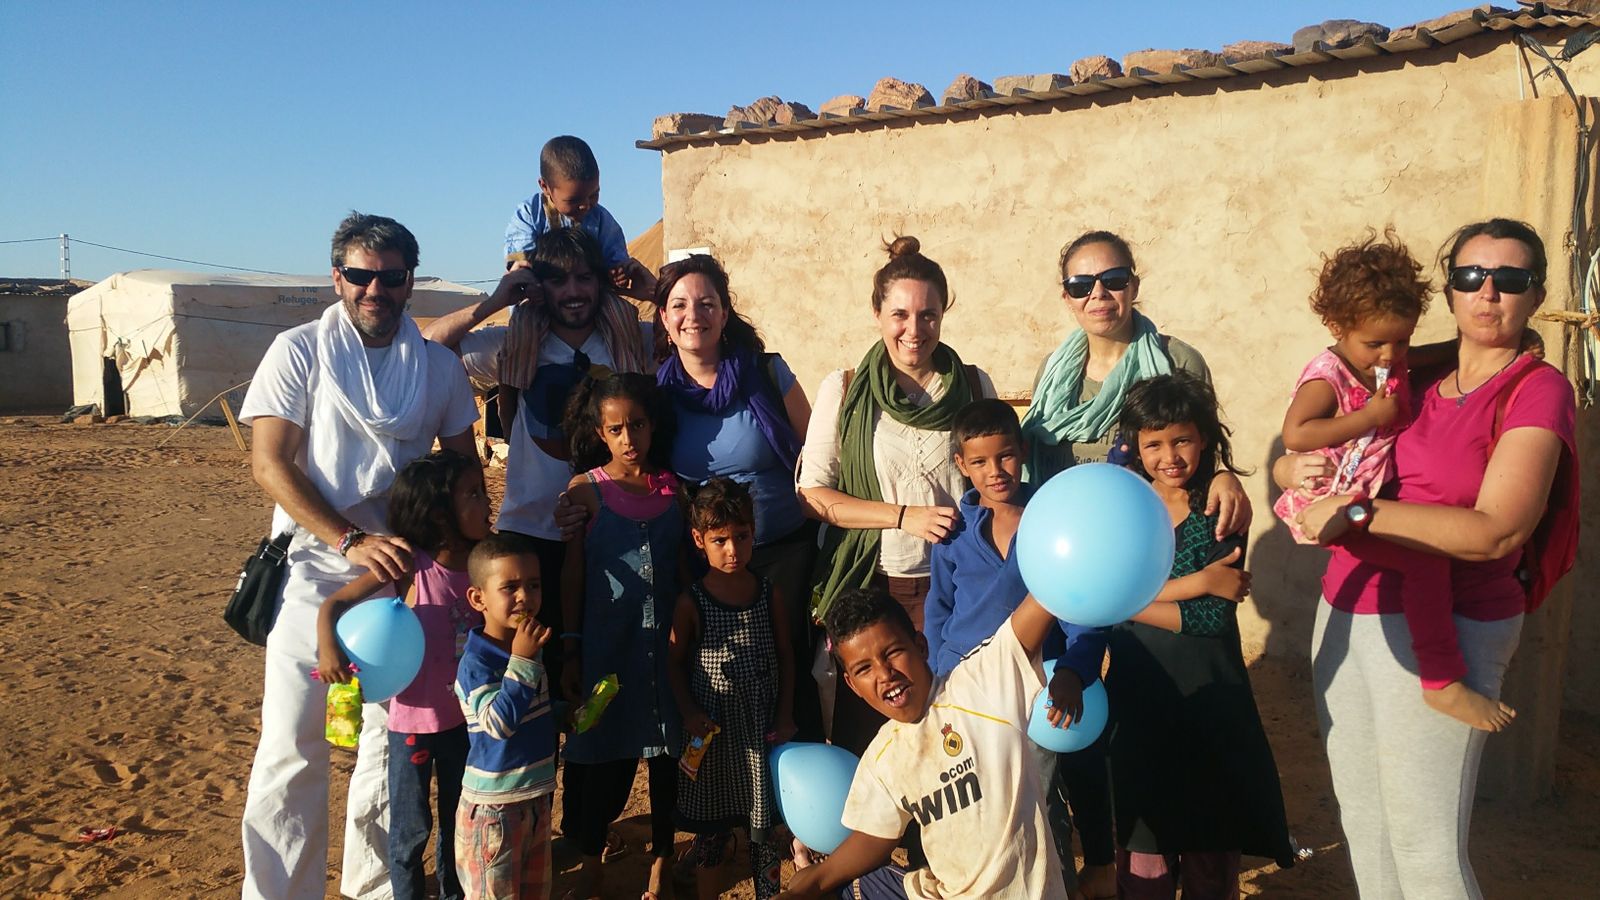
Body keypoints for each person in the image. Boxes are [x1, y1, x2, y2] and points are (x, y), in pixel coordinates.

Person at [1282, 218, 1577, 897]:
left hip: (1450, 620)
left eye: (1511, 280)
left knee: (1425, 845)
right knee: (1364, 823)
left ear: (1535, 295)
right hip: (1348, 604)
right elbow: (1317, 447)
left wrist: (1359, 513)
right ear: (1449, 290)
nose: (1489, 293)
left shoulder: (1536, 390)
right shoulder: (1409, 368)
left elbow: (1496, 531)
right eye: (1472, 276)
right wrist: (1286, 473)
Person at [238, 212, 479, 899]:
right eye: (361, 275)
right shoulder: (298, 352)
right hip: (314, 569)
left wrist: (451, 553)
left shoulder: (436, 368)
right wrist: (350, 539)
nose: (376, 289)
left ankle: (377, 889)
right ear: (337, 277)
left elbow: (462, 470)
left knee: (387, 747)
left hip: (404, 583)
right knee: (293, 747)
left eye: (392, 276)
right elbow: (270, 464)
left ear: (410, 282)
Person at [1019, 229, 1254, 898]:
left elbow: (1203, 443)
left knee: (1165, 728)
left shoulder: (1176, 360)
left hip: (1154, 558)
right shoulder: (1054, 372)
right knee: (1099, 733)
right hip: (1074, 574)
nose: (1099, 294)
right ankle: (1105, 861)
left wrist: (1229, 476)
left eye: (1112, 278)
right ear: (1066, 297)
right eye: (1082, 284)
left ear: (1134, 283)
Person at [423, 226, 651, 845]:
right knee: (529, 689)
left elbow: (698, 332)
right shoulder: (514, 342)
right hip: (530, 541)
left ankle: (583, 833)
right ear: (539, 286)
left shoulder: (626, 336)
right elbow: (431, 345)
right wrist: (497, 299)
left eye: (585, 277)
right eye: (557, 279)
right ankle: (524, 827)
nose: (573, 292)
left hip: (606, 535)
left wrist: (652, 288)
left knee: (590, 685)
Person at [797, 235, 996, 755]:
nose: (914, 330)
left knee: (959, 723)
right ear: (877, 313)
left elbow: (996, 481)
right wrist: (901, 517)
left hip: (956, 586)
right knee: (872, 735)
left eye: (928, 315)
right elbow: (812, 495)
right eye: (900, 314)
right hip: (874, 586)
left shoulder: (973, 385)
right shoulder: (843, 389)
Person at [1110, 373, 1294, 898]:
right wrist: (1197, 583)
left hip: (1210, 705)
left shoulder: (1219, 509)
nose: (1169, 456)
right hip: (1141, 702)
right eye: (1153, 444)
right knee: (1145, 857)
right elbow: (1103, 592)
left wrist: (1127, 600)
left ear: (1206, 438)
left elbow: (1210, 621)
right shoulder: (1122, 507)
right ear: (1135, 446)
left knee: (1210, 855)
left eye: (1182, 440)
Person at [919, 399, 1106, 895]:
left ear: (1023, 451)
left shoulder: (1052, 520)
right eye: (979, 461)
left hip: (1037, 685)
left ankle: (1054, 887)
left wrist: (1073, 669)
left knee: (1039, 800)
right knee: (979, 799)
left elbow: (1082, 604)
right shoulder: (953, 531)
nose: (995, 471)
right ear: (961, 464)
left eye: (1004, 456)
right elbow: (939, 608)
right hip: (968, 691)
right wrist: (942, 674)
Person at [780, 587, 1072, 899]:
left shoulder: (980, 685)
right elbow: (873, 839)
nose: (885, 673)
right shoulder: (883, 757)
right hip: (946, 893)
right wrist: (810, 884)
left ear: (920, 646)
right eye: (864, 669)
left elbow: (1045, 593)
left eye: (892, 652)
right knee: (836, 887)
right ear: (852, 684)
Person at [654, 254, 822, 741]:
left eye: (707, 303)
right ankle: (735, 797)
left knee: (790, 668)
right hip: (709, 563)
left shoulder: (765, 373)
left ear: (725, 313)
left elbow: (815, 454)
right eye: (679, 305)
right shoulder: (657, 398)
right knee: (721, 677)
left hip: (783, 552)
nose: (694, 315)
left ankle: (796, 786)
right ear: (664, 318)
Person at [314, 450, 490, 900]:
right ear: (439, 513)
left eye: (483, 491)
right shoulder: (412, 563)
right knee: (410, 830)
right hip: (411, 726)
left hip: (466, 724)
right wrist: (329, 647)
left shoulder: (484, 563)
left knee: (458, 823)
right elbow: (335, 605)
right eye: (473, 494)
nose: (486, 502)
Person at [560, 372, 684, 900]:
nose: (628, 438)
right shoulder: (586, 491)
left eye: (637, 425)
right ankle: (591, 864)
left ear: (652, 425)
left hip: (665, 655)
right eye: (616, 429)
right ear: (600, 433)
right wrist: (570, 644)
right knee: (600, 758)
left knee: (665, 763)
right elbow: (572, 573)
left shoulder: (676, 489)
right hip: (607, 649)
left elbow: (684, 565)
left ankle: (661, 864)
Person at [668, 477, 796, 900]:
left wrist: (784, 714)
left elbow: (785, 655)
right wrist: (688, 712)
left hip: (761, 733)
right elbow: (673, 663)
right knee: (711, 833)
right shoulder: (692, 602)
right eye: (719, 539)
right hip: (715, 738)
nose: (732, 550)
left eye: (741, 536)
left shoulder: (767, 593)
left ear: (754, 533)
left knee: (766, 835)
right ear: (698, 540)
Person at [1274, 231, 1430, 545]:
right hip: (1331, 495)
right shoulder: (1328, 377)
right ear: (1337, 327)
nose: (1390, 354)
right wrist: (1369, 417)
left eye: (1403, 341)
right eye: (1375, 344)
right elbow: (1296, 434)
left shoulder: (1388, 361)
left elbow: (1431, 355)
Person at [455, 532, 559, 900]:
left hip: (535, 798)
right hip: (494, 811)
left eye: (533, 585)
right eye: (510, 587)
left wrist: (566, 716)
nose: (524, 597)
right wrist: (522, 661)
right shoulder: (477, 663)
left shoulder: (526, 647)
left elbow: (531, 709)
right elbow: (498, 724)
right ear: (478, 598)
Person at [503, 134, 657, 302]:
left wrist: (617, 273)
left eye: (594, 195)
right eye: (574, 200)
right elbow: (520, 265)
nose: (586, 205)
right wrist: (530, 283)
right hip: (538, 301)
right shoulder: (529, 215)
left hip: (590, 305)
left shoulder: (602, 220)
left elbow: (616, 260)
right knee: (525, 320)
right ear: (545, 187)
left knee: (620, 314)